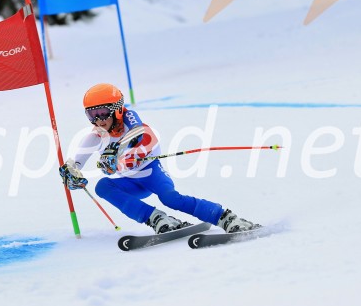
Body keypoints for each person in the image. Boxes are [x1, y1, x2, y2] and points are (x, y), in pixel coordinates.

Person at [59, 83, 259, 234]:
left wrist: (119, 152)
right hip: (130, 182)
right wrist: (71, 171)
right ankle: (156, 218)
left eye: (103, 112)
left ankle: (225, 217)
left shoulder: (131, 122)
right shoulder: (96, 136)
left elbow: (143, 136)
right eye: (91, 114)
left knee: (170, 198)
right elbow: (77, 159)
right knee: (102, 186)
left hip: (151, 174)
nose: (98, 120)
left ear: (118, 109)